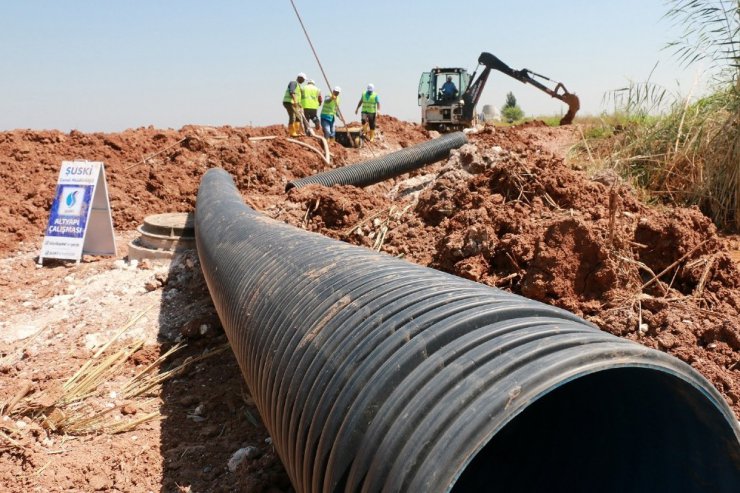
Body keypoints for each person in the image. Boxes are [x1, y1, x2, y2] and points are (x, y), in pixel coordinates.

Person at [282, 72, 306, 137]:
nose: (303, 81)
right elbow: (291, 92)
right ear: (299, 78)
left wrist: (299, 104)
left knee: (298, 117)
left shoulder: (298, 86)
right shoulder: (293, 83)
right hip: (289, 102)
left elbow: (298, 96)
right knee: (292, 116)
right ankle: (292, 132)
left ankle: (297, 131)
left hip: (294, 103)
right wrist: (295, 101)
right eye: (303, 79)